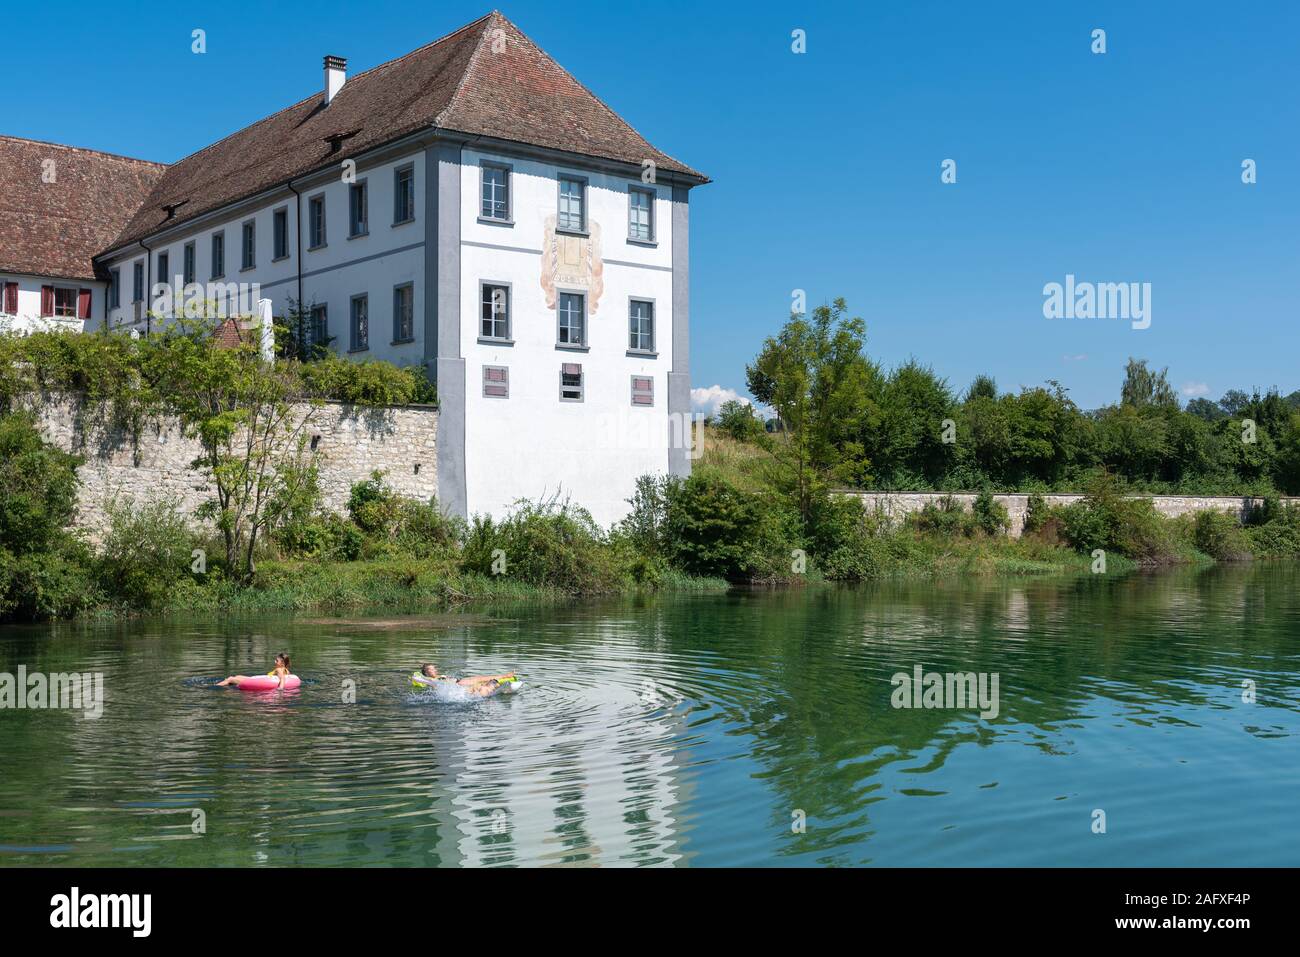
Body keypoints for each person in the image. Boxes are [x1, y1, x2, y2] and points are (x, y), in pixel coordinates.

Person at [418, 663, 516, 697]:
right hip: (459, 684)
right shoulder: (433, 679)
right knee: (482, 682)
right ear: (426, 673)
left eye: (434, 668)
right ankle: (503, 680)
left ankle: (501, 681)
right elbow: (435, 683)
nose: (434, 670)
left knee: (482, 680)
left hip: (459, 683)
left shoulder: (436, 678)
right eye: (431, 669)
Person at [218, 653, 293, 689]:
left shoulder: (278, 669)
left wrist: (280, 689)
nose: (275, 662)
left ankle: (215, 687)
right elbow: (287, 677)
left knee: (230, 678)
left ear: (282, 663)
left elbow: (282, 678)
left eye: (277, 661)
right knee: (238, 676)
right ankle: (229, 683)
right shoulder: (286, 670)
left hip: (257, 682)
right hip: (258, 680)